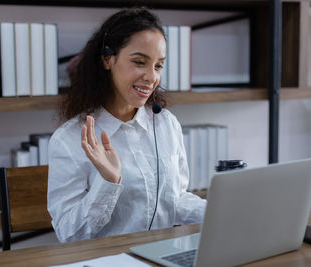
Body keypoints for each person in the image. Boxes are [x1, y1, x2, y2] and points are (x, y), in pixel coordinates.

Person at [47, 7, 206, 243]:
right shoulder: (69, 139)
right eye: (140, 62)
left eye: (158, 65)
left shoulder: (165, 124)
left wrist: (225, 213)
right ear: (107, 59)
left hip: (160, 256)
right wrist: (109, 183)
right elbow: (70, 235)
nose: (151, 77)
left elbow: (176, 200)